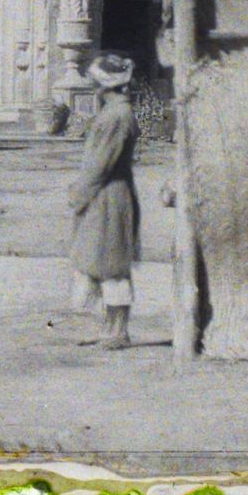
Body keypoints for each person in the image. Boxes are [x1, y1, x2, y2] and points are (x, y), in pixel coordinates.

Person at [68, 52, 143, 350]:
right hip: (105, 194)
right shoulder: (115, 113)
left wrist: (80, 193)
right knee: (100, 261)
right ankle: (108, 328)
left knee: (112, 263)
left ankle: (119, 331)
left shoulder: (116, 116)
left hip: (110, 196)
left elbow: (100, 163)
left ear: (104, 86)